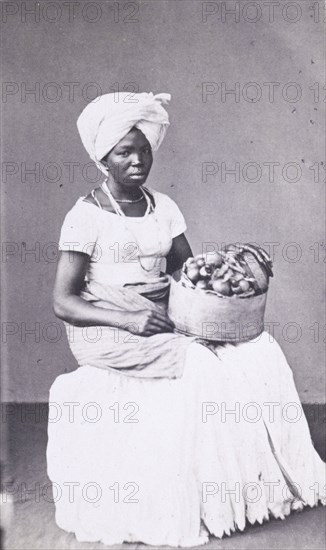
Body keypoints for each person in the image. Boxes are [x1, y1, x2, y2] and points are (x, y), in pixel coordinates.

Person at [47, 92, 325, 547]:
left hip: (164, 312)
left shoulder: (164, 206)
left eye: (144, 150)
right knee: (201, 367)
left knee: (256, 351)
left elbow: (187, 274)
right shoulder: (84, 217)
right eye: (124, 152)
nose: (138, 160)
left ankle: (251, 493)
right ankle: (204, 503)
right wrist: (129, 321)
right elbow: (63, 303)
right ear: (103, 160)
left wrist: (228, 276)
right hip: (105, 326)